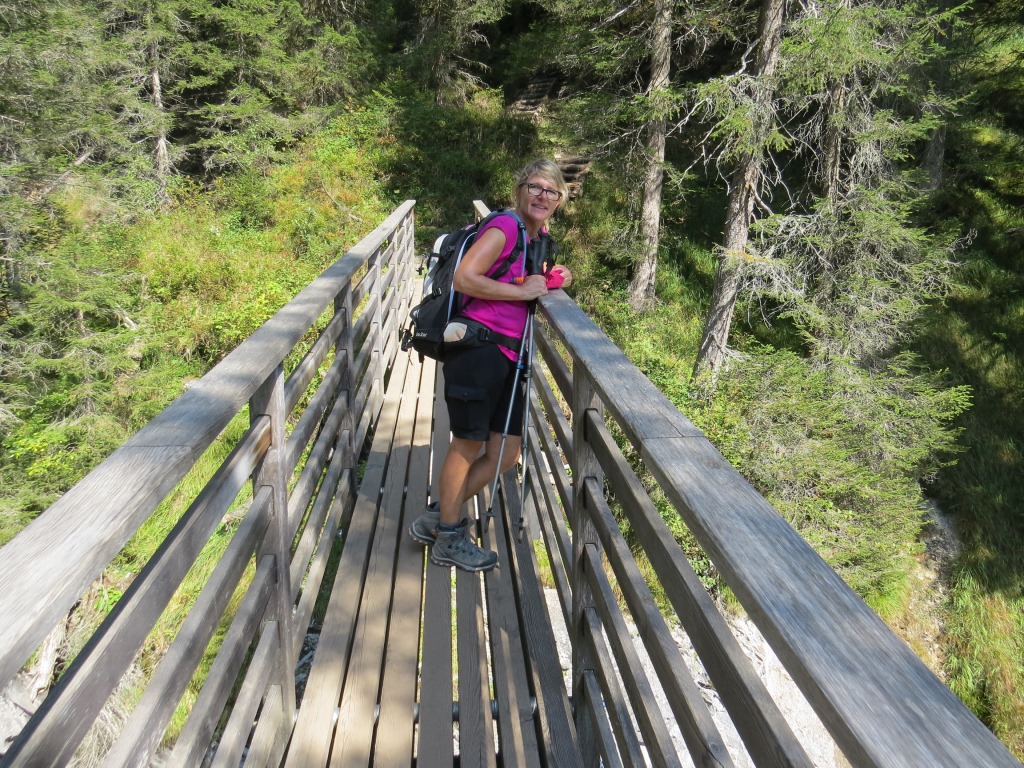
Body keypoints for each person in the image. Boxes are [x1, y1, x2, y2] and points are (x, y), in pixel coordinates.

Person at [408, 159, 573, 571]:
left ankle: (438, 518)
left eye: (551, 191)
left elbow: (521, 281)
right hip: (479, 350)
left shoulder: (535, 237)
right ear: (520, 190)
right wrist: (523, 294)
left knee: (506, 454)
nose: (542, 196)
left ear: (559, 200)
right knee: (467, 445)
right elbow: (466, 278)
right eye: (535, 187)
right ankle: (449, 537)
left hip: (508, 356)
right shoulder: (504, 227)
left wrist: (552, 280)